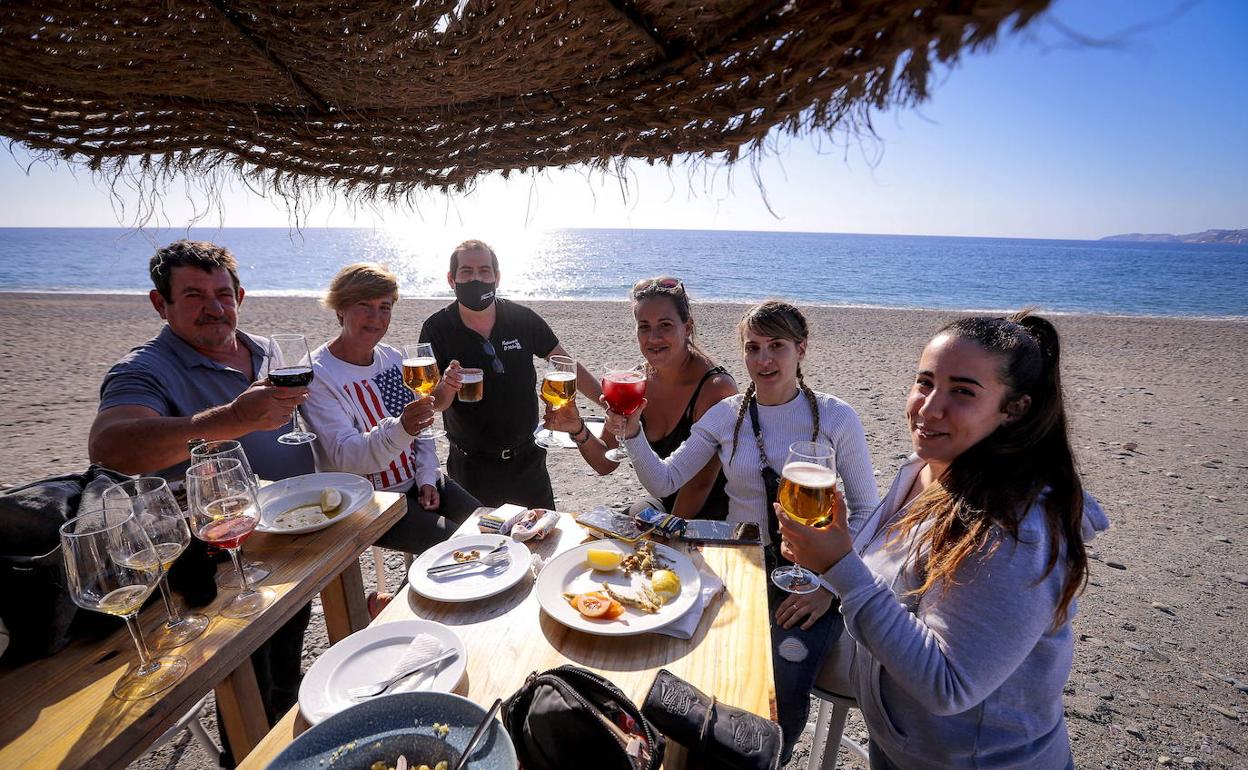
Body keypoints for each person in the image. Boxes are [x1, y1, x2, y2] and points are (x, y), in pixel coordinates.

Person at [779, 312, 1110, 770]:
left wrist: (841, 568)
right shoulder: (924, 469)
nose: (930, 408)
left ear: (1014, 408)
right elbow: (889, 582)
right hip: (905, 749)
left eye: (963, 392)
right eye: (925, 382)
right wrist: (827, 562)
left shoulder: (1017, 532)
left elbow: (948, 685)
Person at [608, 300, 878, 762]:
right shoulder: (727, 414)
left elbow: (869, 510)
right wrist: (632, 434)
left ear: (802, 350)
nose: (763, 360)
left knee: (785, 679)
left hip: (813, 575)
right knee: (693, 656)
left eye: (777, 346)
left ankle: (765, 758)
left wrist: (830, 589)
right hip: (743, 562)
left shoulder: (836, 417)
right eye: (753, 348)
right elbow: (665, 481)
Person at [87, 239, 313, 767]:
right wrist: (229, 419)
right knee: (249, 687)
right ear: (159, 304)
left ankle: (295, 743)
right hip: (216, 559)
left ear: (240, 295)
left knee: (288, 664)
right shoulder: (145, 368)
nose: (213, 307)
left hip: (292, 538)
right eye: (193, 295)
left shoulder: (263, 352)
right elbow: (111, 444)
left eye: (221, 293)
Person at [301, 262, 481, 555]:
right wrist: (402, 428)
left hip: (414, 480)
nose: (375, 317)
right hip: (365, 500)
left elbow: (421, 426)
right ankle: (394, 602)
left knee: (486, 526)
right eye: (364, 305)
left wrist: (426, 476)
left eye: (384, 307)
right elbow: (347, 457)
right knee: (456, 551)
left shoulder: (393, 359)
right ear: (340, 309)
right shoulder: (318, 374)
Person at [420, 239, 600, 510]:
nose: (476, 278)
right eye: (466, 271)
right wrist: (447, 385)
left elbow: (566, 365)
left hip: (528, 461)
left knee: (542, 541)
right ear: (451, 279)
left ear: (497, 277)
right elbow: (435, 403)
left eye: (484, 270)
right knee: (480, 548)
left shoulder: (522, 318)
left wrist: (608, 402)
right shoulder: (436, 328)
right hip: (470, 466)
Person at [542, 276, 737, 518]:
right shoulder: (635, 381)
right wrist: (578, 429)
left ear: (687, 327)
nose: (653, 338)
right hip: (663, 499)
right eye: (644, 326)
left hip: (715, 513)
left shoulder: (716, 388)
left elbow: (700, 485)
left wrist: (666, 538)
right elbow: (605, 462)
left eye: (665, 325)